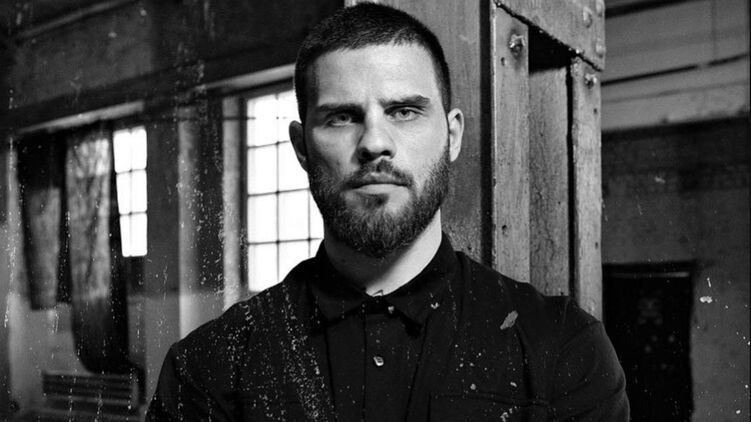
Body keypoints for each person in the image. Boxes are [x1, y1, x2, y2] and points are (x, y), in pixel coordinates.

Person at [147, 3, 629, 421]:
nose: (375, 142)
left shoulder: (562, 349)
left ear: (452, 136)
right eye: (342, 117)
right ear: (301, 148)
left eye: (404, 111)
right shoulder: (209, 367)